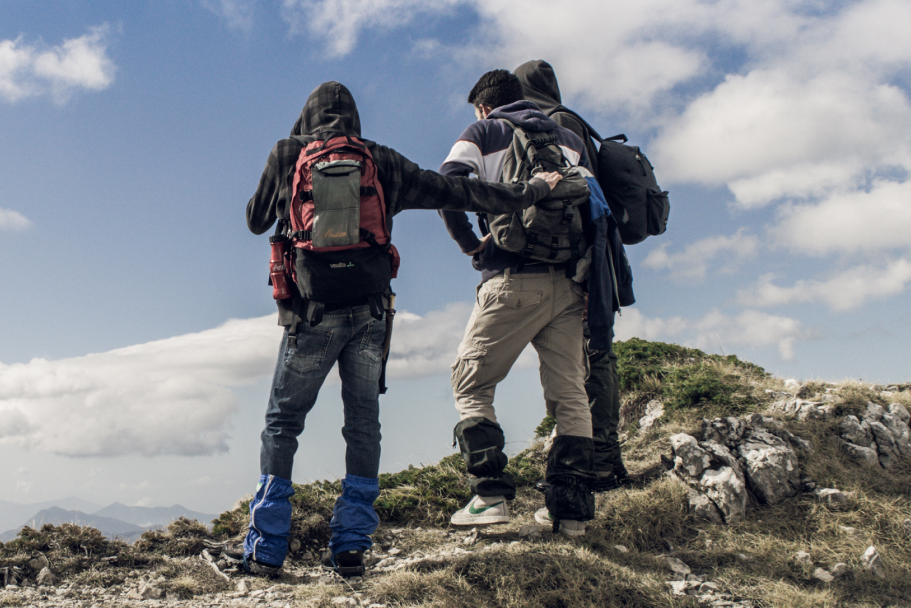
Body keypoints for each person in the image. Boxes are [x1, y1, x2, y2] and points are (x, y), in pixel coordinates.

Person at [239, 81, 561, 578]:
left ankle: (266, 547)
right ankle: (350, 546)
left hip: (311, 314)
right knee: (363, 424)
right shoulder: (380, 160)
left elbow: (256, 221)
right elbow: (458, 189)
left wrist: (289, 169)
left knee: (283, 422)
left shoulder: (290, 153)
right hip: (370, 315)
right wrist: (533, 191)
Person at [436, 69, 598, 535]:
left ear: (484, 106)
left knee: (471, 383)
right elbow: (591, 204)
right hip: (569, 283)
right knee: (569, 393)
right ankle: (570, 514)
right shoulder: (567, 138)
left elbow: (449, 185)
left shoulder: (484, 131)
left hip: (512, 278)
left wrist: (472, 244)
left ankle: (490, 497)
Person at [514, 59, 637, 494]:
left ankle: (600, 463)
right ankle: (599, 458)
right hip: (597, 254)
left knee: (592, 354)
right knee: (589, 353)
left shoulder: (554, 125)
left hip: (583, 261)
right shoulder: (573, 121)